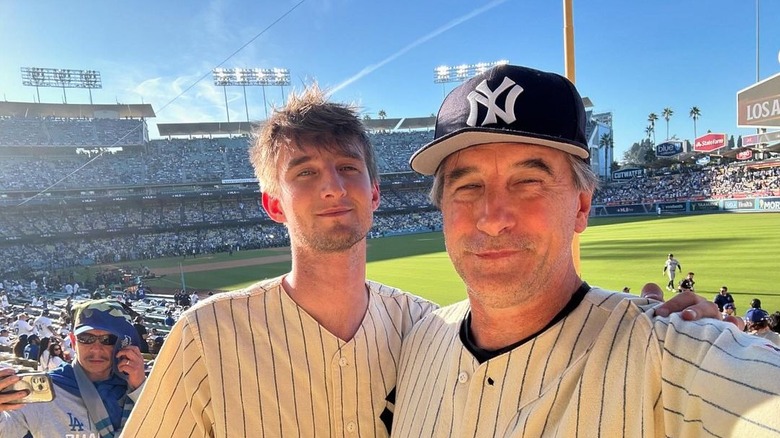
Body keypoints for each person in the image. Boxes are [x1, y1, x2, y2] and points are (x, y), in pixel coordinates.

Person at [391, 64, 780, 436]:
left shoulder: (672, 354)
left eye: (528, 181)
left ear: (580, 206)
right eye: (468, 186)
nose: (493, 219)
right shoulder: (418, 341)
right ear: (442, 205)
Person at [123, 84, 438, 437]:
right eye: (305, 172)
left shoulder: (428, 327)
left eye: (349, 167)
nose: (334, 187)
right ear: (274, 205)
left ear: (375, 192)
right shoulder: (206, 334)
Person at [0, 299, 146, 436]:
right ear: (73, 342)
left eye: (108, 340)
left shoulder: (136, 387)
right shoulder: (47, 390)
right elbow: (6, 431)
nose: (96, 349)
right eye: (86, 338)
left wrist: (141, 389)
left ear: (122, 344)